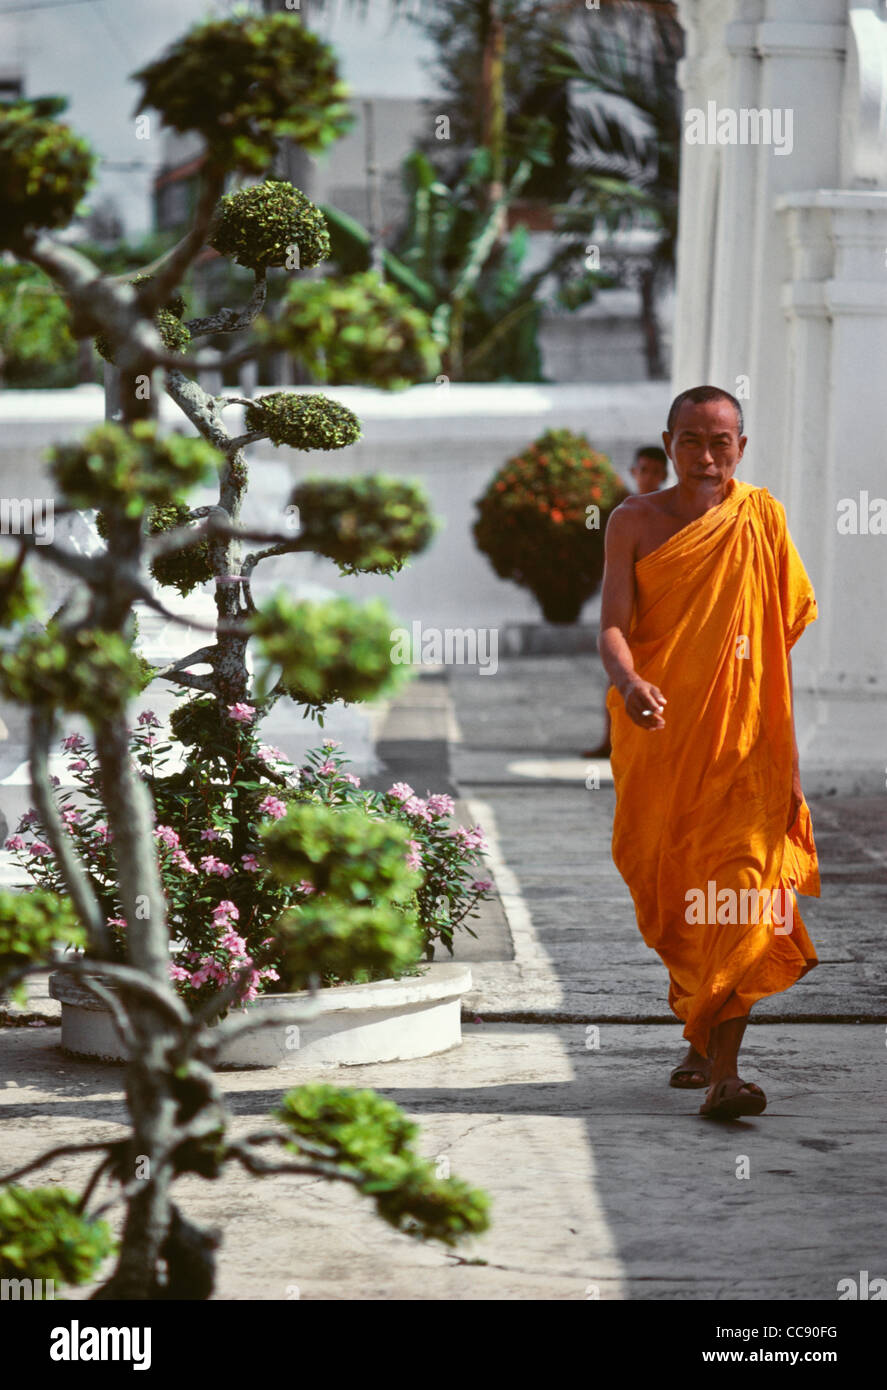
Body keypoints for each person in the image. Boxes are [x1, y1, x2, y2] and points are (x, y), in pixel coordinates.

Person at [597, 385, 820, 1119]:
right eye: (690, 440)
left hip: (747, 747)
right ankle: (699, 1032)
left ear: (741, 449)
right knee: (674, 892)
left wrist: (784, 755)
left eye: (719, 441)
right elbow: (612, 625)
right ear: (668, 443)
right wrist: (629, 682)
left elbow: (774, 641)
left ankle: (726, 1071)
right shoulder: (633, 521)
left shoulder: (760, 518)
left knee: (743, 890)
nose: (705, 456)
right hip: (663, 743)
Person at [582, 446, 669, 759]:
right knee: (616, 678)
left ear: (664, 475)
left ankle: (654, 739)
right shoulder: (623, 513)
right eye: (643, 470)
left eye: (656, 471)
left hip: (654, 611)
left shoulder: (669, 514)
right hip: (623, 608)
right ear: (634, 472)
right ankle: (610, 741)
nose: (649, 477)